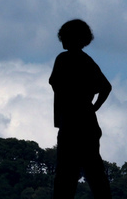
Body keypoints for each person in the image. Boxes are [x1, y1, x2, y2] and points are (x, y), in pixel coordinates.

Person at [50, 18, 113, 199]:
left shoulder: (64, 59)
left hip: (71, 123)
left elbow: (105, 87)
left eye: (64, 37)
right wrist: (93, 108)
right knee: (94, 172)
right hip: (85, 122)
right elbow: (105, 87)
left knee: (66, 174)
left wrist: (93, 108)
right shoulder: (86, 61)